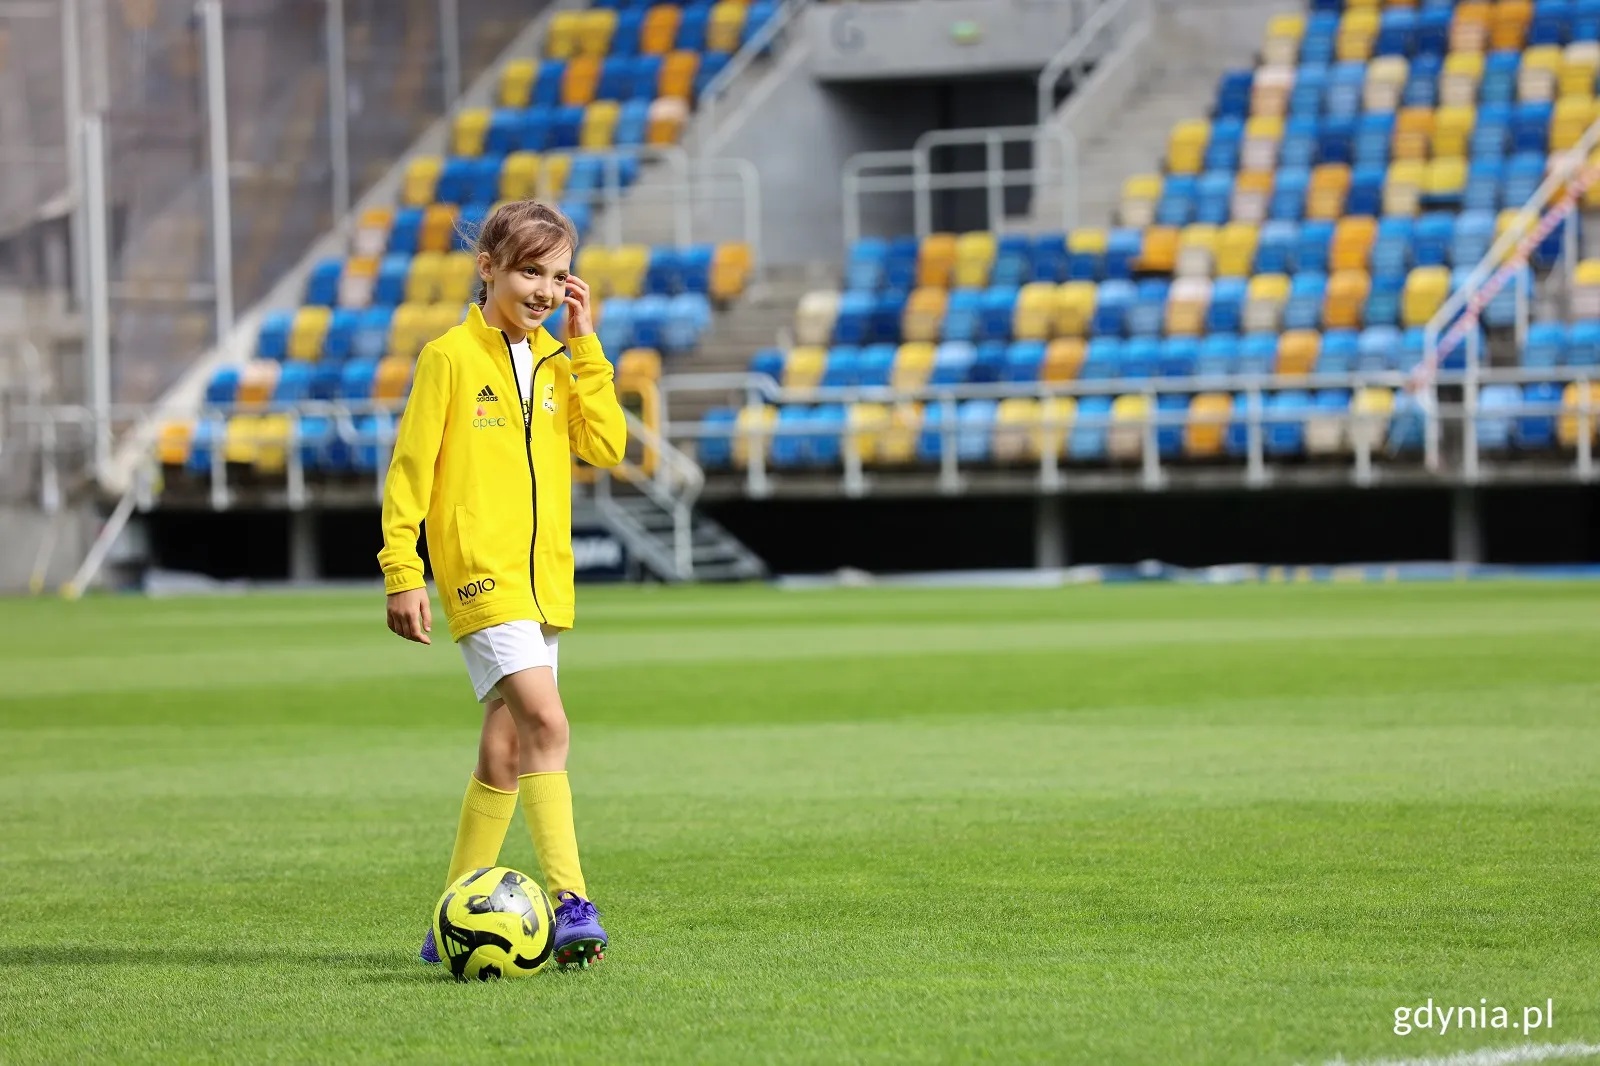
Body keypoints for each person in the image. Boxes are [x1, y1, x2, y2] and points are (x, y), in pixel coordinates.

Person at [377, 200, 626, 970]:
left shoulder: (557, 361)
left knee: (506, 745)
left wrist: (586, 350)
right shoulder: (448, 357)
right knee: (548, 727)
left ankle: (447, 920)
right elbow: (411, 469)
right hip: (482, 575)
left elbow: (608, 446)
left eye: (557, 275)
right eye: (528, 271)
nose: (545, 290)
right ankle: (573, 900)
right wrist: (401, 571)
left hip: (544, 581)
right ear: (487, 268)